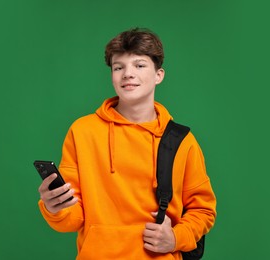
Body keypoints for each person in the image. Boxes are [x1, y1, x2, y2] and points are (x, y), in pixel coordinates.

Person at [38, 28, 216, 259]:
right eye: (118, 67)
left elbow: (203, 210)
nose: (127, 74)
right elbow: (72, 219)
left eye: (139, 65)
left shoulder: (180, 141)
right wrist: (55, 207)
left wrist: (175, 238)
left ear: (158, 75)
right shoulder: (82, 131)